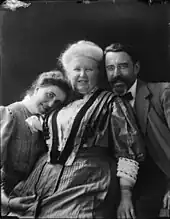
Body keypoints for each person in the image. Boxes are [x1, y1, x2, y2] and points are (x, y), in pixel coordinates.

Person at [8, 40, 145, 219]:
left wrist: (125, 197)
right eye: (76, 69)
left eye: (88, 69)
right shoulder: (58, 104)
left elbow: (128, 151)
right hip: (41, 182)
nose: (82, 75)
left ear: (98, 73)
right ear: (68, 73)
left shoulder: (111, 102)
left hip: (87, 182)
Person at [104, 42, 170, 218]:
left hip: (160, 176)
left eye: (123, 66)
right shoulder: (106, 103)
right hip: (121, 180)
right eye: (110, 68)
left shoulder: (163, 93)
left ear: (137, 67)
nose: (116, 74)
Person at [0, 70, 71, 216]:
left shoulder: (48, 125)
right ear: (37, 89)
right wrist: (6, 201)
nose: (51, 104)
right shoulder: (10, 113)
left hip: (27, 199)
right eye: (49, 95)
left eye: (57, 102)